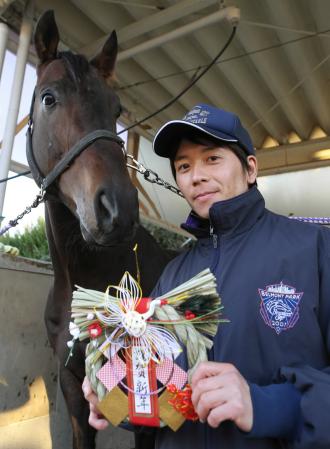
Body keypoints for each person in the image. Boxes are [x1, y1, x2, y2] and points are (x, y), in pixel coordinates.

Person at [82, 104, 330, 448]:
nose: (195, 175)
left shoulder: (314, 249)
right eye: (184, 166)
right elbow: (159, 397)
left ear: (250, 168)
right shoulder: (173, 275)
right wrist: (112, 395)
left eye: (212, 158)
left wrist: (269, 406)